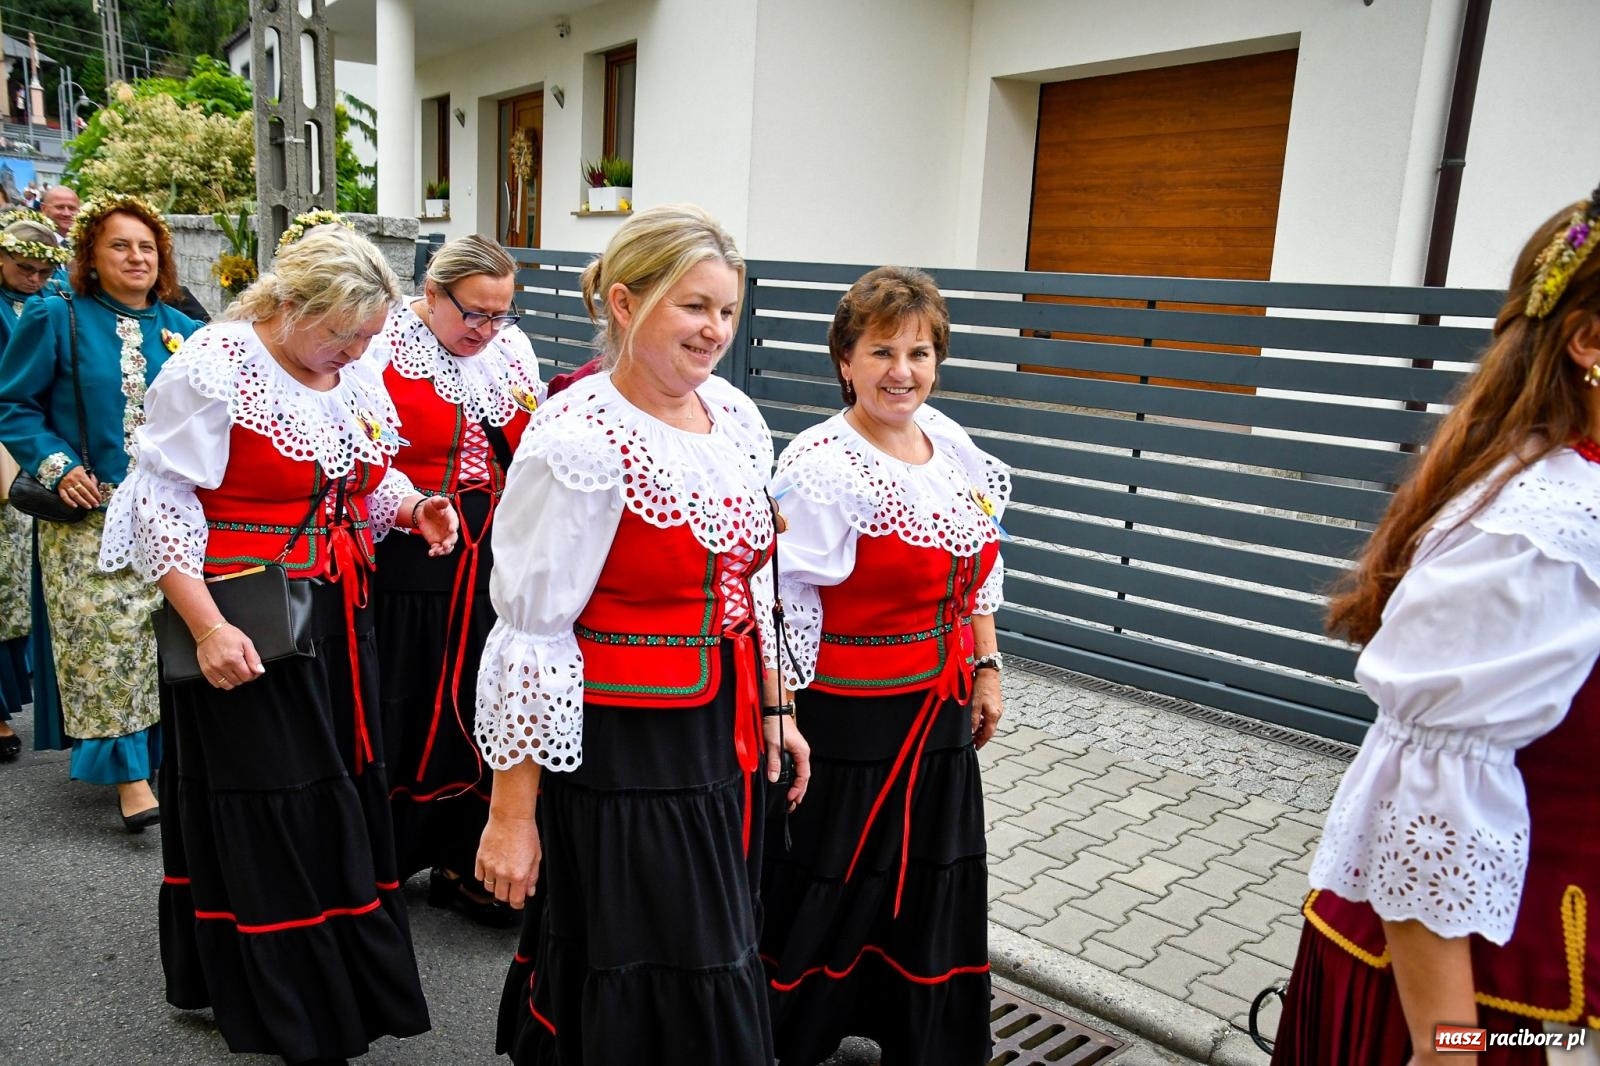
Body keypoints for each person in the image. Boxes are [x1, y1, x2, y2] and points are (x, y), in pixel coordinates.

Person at [97, 224, 453, 1065]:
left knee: (332, 794)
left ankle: (338, 992)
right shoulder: (216, 368)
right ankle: (281, 1002)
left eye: (369, 336)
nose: (358, 351)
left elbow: (367, 472)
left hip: (333, 613)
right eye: (344, 333)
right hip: (245, 620)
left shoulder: (350, 369)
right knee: (270, 803)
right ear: (287, 305)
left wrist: (411, 508)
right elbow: (159, 503)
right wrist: (207, 625)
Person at [1269, 188, 1600, 1064]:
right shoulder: (1540, 525)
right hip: (1453, 1008)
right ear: (1590, 341)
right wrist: (1449, 1049)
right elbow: (1428, 786)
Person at [475, 204, 810, 1064]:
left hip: (718, 735)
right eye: (694, 306)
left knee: (714, 941)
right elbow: (529, 631)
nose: (715, 331)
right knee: (648, 953)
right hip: (623, 747)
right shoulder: (581, 441)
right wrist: (513, 818)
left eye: (727, 311)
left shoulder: (732, 417)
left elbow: (749, 585)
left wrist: (778, 707)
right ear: (624, 303)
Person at [757, 266, 1008, 1065]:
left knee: (928, 874)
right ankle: (796, 1034)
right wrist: (782, 711)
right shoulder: (823, 464)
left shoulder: (954, 447)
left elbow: (981, 567)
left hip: (938, 710)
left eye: (920, 352)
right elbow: (783, 598)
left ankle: (917, 1035)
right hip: (850, 717)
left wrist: (988, 665)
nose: (903, 371)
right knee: (837, 872)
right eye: (882, 352)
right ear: (845, 361)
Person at [0, 194, 202, 827]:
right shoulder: (55, 315)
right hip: (89, 514)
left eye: (146, 246)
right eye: (120, 245)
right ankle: (129, 777)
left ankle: (168, 754)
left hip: (171, 516)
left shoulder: (183, 329)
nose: (136, 257)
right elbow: (14, 406)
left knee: (165, 640)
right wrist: (60, 469)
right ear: (91, 253)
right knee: (106, 644)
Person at [370, 233, 544, 926]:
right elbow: (355, 448)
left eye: (500, 315)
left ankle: (465, 859)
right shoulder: (382, 345)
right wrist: (415, 503)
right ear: (433, 294)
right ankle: (382, 859)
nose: (487, 330)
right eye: (474, 313)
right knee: (408, 699)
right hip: (413, 548)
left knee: (479, 697)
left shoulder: (510, 350)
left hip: (494, 551)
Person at [0, 209, 67, 760]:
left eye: (46, 273)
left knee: (23, 586)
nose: (36, 280)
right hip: (11, 449)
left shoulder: (58, 304)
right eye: (25, 269)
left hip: (39, 459)